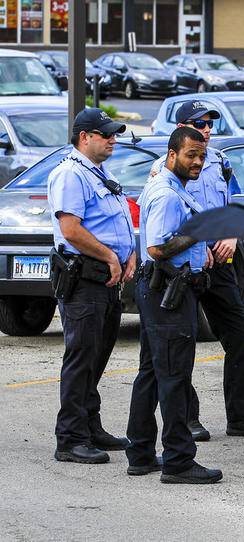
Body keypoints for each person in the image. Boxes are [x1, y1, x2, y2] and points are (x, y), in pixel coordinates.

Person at [150, 100, 244, 442]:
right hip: (187, 266)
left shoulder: (219, 161)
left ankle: (242, 417)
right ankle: (188, 418)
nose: (206, 131)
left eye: (209, 124)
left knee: (239, 336)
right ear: (181, 131)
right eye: (199, 124)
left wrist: (233, 235)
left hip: (219, 264)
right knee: (185, 341)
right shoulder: (167, 167)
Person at [126, 127, 222, 483]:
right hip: (169, 291)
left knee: (152, 373)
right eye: (190, 155)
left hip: (161, 290)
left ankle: (139, 452)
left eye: (201, 155)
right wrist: (197, 235)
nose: (197, 161)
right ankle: (179, 460)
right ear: (172, 155)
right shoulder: (168, 194)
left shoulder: (172, 187)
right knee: (174, 377)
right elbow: (157, 248)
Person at [48, 108, 134, 464]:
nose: (113, 139)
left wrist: (128, 254)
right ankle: (69, 438)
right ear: (85, 137)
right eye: (106, 134)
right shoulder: (70, 174)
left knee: (97, 356)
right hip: (85, 278)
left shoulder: (97, 172)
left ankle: (89, 424)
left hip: (105, 278)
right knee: (81, 357)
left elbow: (113, 221)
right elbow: (71, 230)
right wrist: (110, 256)